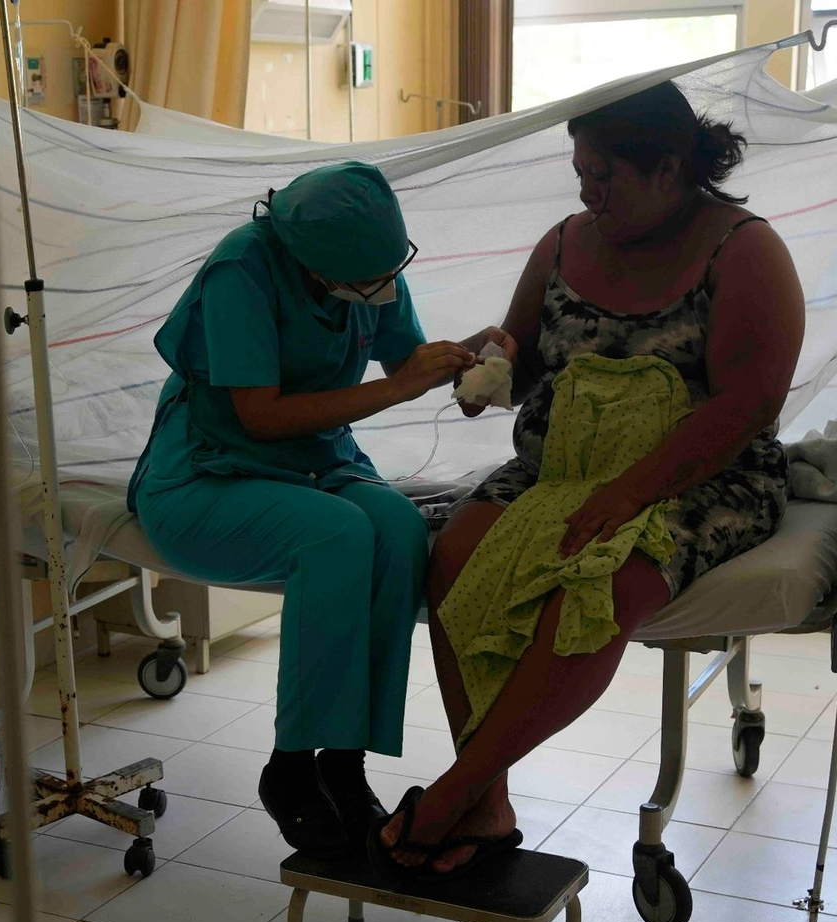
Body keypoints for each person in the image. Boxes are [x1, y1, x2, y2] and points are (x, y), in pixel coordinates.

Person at [376, 81, 805, 876]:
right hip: (565, 463)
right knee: (454, 558)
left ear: (671, 166)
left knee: (596, 586)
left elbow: (747, 406)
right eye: (580, 170)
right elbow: (527, 355)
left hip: (699, 475)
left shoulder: (743, 251)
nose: (587, 190)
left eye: (604, 174)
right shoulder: (566, 241)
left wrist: (630, 491)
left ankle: (450, 797)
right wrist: (491, 364)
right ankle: (489, 797)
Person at [128, 161, 474, 858]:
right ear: (313, 262)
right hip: (207, 470)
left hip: (315, 461)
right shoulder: (242, 272)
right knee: (338, 533)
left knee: (401, 529)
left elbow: (407, 358)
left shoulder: (364, 267)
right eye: (371, 278)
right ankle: (289, 770)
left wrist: (467, 369)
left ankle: (343, 766)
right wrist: (398, 392)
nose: (382, 288)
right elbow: (258, 417)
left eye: (389, 270)